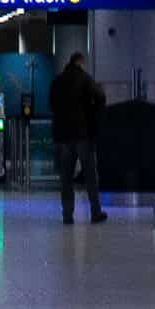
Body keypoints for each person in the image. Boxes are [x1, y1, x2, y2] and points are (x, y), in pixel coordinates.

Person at [53, 53, 107, 223]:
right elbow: (101, 97)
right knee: (90, 174)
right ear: (80, 63)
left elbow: (52, 103)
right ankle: (95, 212)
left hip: (63, 135)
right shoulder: (85, 79)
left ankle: (67, 214)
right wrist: (91, 112)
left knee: (66, 177)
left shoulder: (58, 81)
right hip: (83, 134)